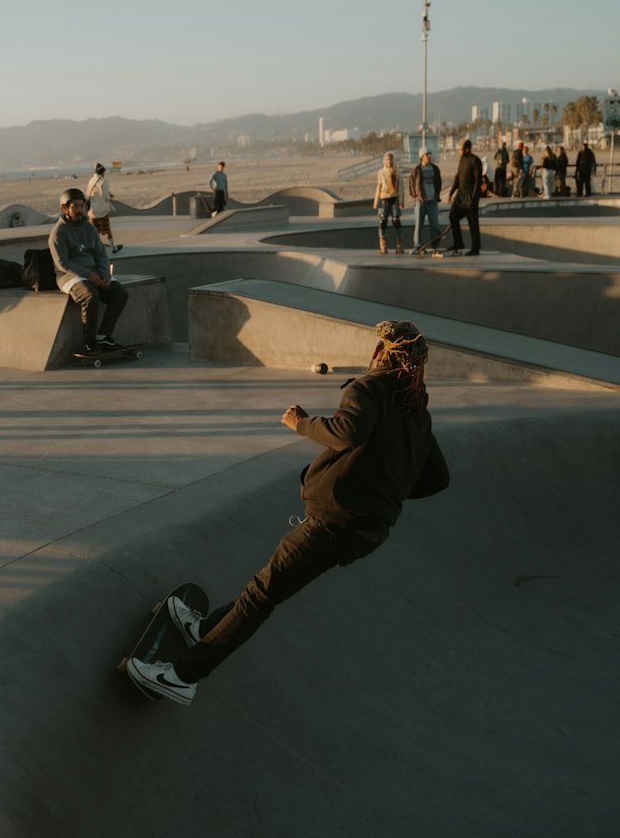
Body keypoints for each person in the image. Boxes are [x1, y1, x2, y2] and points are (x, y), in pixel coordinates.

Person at [127, 320, 450, 703]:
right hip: (368, 532)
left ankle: (182, 676)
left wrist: (301, 423)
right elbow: (436, 478)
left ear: (382, 351)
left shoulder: (371, 387)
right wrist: (384, 491)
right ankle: (205, 629)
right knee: (268, 589)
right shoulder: (417, 412)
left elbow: (347, 432)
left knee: (259, 598)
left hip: (335, 523)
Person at [48, 188, 128, 353]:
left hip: (94, 273)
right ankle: (89, 342)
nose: (79, 210)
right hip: (69, 276)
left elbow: (100, 254)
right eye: (74, 207)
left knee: (119, 294)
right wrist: (88, 275)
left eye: (81, 206)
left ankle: (103, 337)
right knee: (91, 296)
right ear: (65, 209)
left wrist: (105, 275)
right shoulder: (58, 233)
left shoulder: (90, 228)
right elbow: (63, 263)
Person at [447, 138, 483, 255]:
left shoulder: (475, 161)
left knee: (472, 222)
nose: (459, 151)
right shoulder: (462, 160)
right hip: (460, 196)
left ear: (467, 149)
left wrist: (474, 198)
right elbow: (458, 177)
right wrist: (451, 192)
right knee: (453, 216)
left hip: (470, 196)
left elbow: (478, 181)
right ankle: (458, 243)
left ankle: (475, 248)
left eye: (461, 149)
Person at [409, 147, 442, 251]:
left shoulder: (435, 169)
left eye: (430, 154)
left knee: (435, 225)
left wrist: (436, 195)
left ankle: (435, 246)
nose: (429, 156)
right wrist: (417, 196)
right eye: (427, 154)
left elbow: (439, 183)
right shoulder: (417, 170)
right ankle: (417, 245)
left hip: (432, 201)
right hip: (421, 202)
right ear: (421, 157)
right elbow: (411, 184)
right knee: (418, 225)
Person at [85, 162, 123, 254]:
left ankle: (95, 250)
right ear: (102, 172)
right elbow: (106, 197)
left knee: (95, 232)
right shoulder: (103, 181)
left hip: (92, 212)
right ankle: (113, 248)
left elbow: (88, 195)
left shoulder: (91, 180)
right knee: (107, 230)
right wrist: (110, 195)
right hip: (102, 211)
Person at [373, 150, 405, 253]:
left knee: (396, 220)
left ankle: (399, 242)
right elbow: (378, 187)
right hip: (384, 198)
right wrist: (376, 201)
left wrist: (401, 201)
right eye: (387, 159)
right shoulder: (381, 172)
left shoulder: (397, 171)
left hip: (394, 198)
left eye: (391, 159)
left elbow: (401, 187)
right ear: (384, 161)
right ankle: (382, 242)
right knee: (383, 221)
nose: (389, 161)